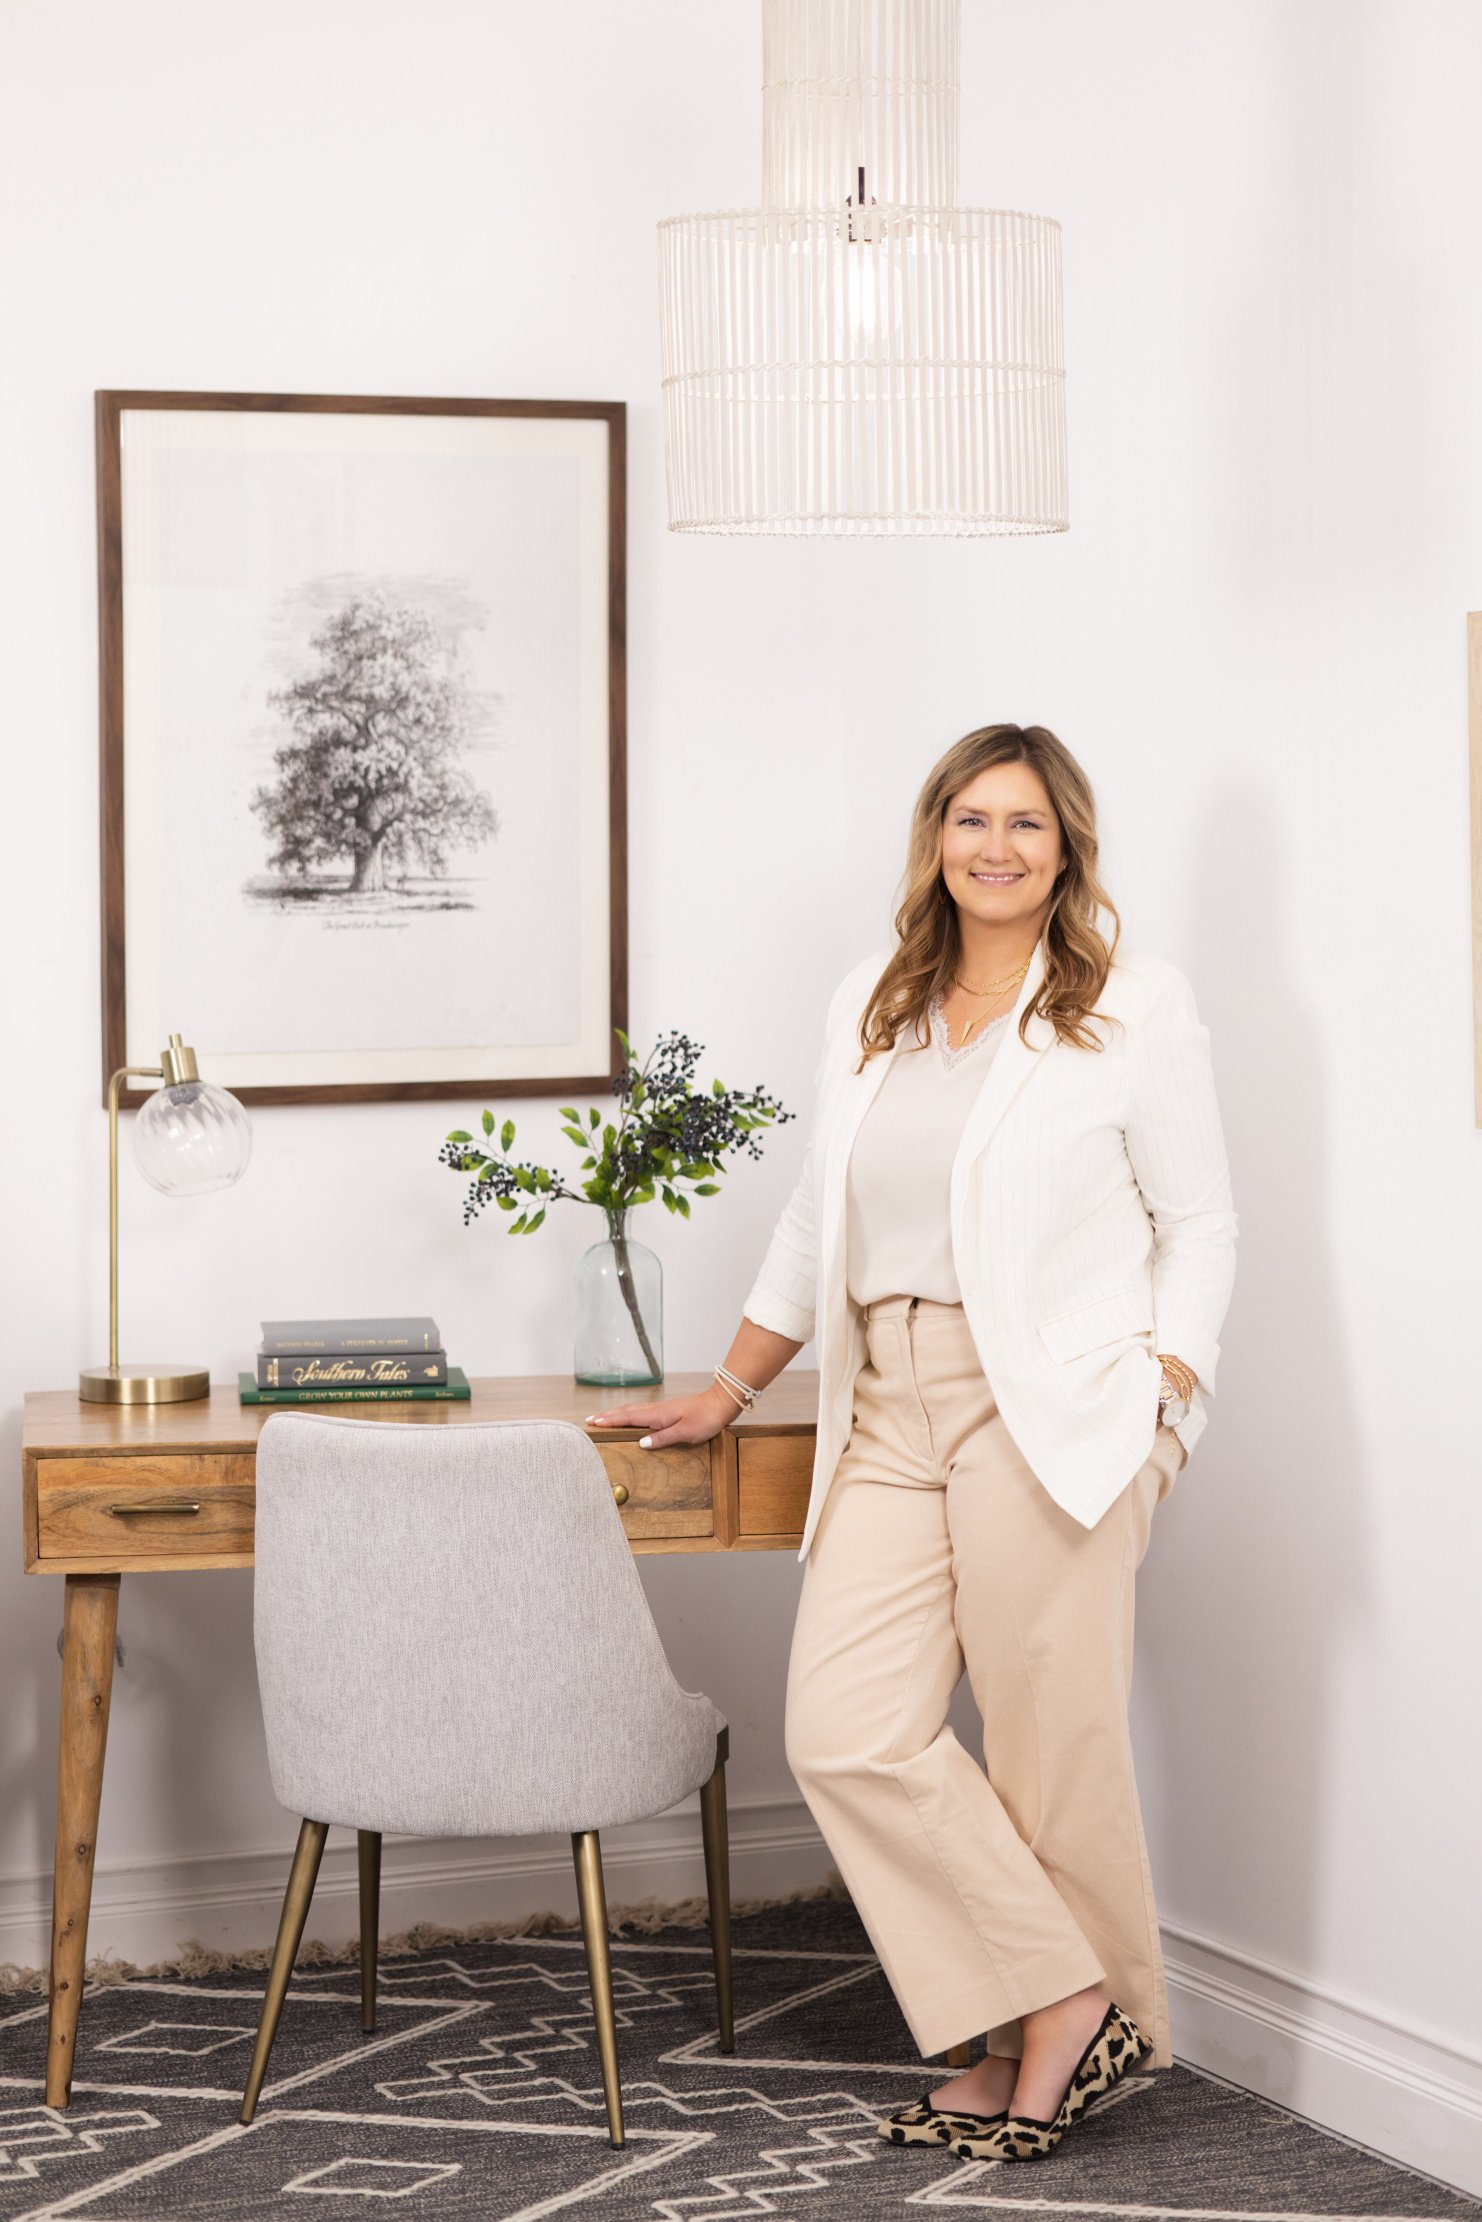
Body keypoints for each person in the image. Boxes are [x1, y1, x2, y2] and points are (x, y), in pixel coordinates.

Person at [585, 722, 1237, 2163]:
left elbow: (1198, 1223)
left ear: (1066, 848)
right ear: (933, 836)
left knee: (1046, 1743)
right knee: (842, 1724)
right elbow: (822, 1214)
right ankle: (1067, 1996)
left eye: (1026, 824)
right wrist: (730, 1388)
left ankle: (1037, 2041)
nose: (994, 847)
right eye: (969, 818)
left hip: (1053, 1406)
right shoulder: (875, 1001)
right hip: (887, 1398)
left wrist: (1164, 1399)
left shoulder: (1129, 1004)